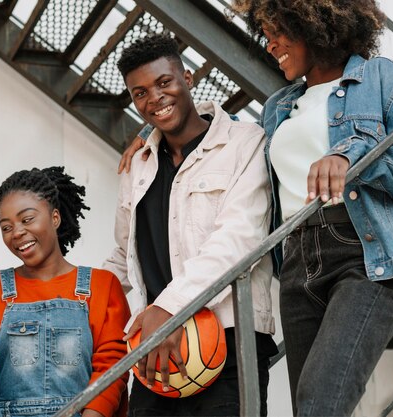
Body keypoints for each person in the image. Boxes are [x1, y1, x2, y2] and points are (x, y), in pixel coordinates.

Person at [223, 1, 393, 415]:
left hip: (363, 253)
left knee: (319, 403)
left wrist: (353, 159)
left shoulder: (383, 79)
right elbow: (228, 144)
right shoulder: (278, 107)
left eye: (278, 31)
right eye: (264, 35)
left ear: (312, 23)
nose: (270, 45)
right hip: (297, 265)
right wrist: (153, 134)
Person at [103, 34, 278, 417]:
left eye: (164, 82)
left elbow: (240, 239)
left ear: (188, 76)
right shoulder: (137, 165)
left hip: (229, 340)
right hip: (154, 351)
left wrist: (168, 308)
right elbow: (124, 255)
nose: (155, 99)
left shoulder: (245, 143)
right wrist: (77, 303)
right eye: (140, 93)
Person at [0, 167, 130, 417]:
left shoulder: (101, 285)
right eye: (6, 227)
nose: (17, 232)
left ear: (55, 217)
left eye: (27, 219)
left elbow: (112, 366)